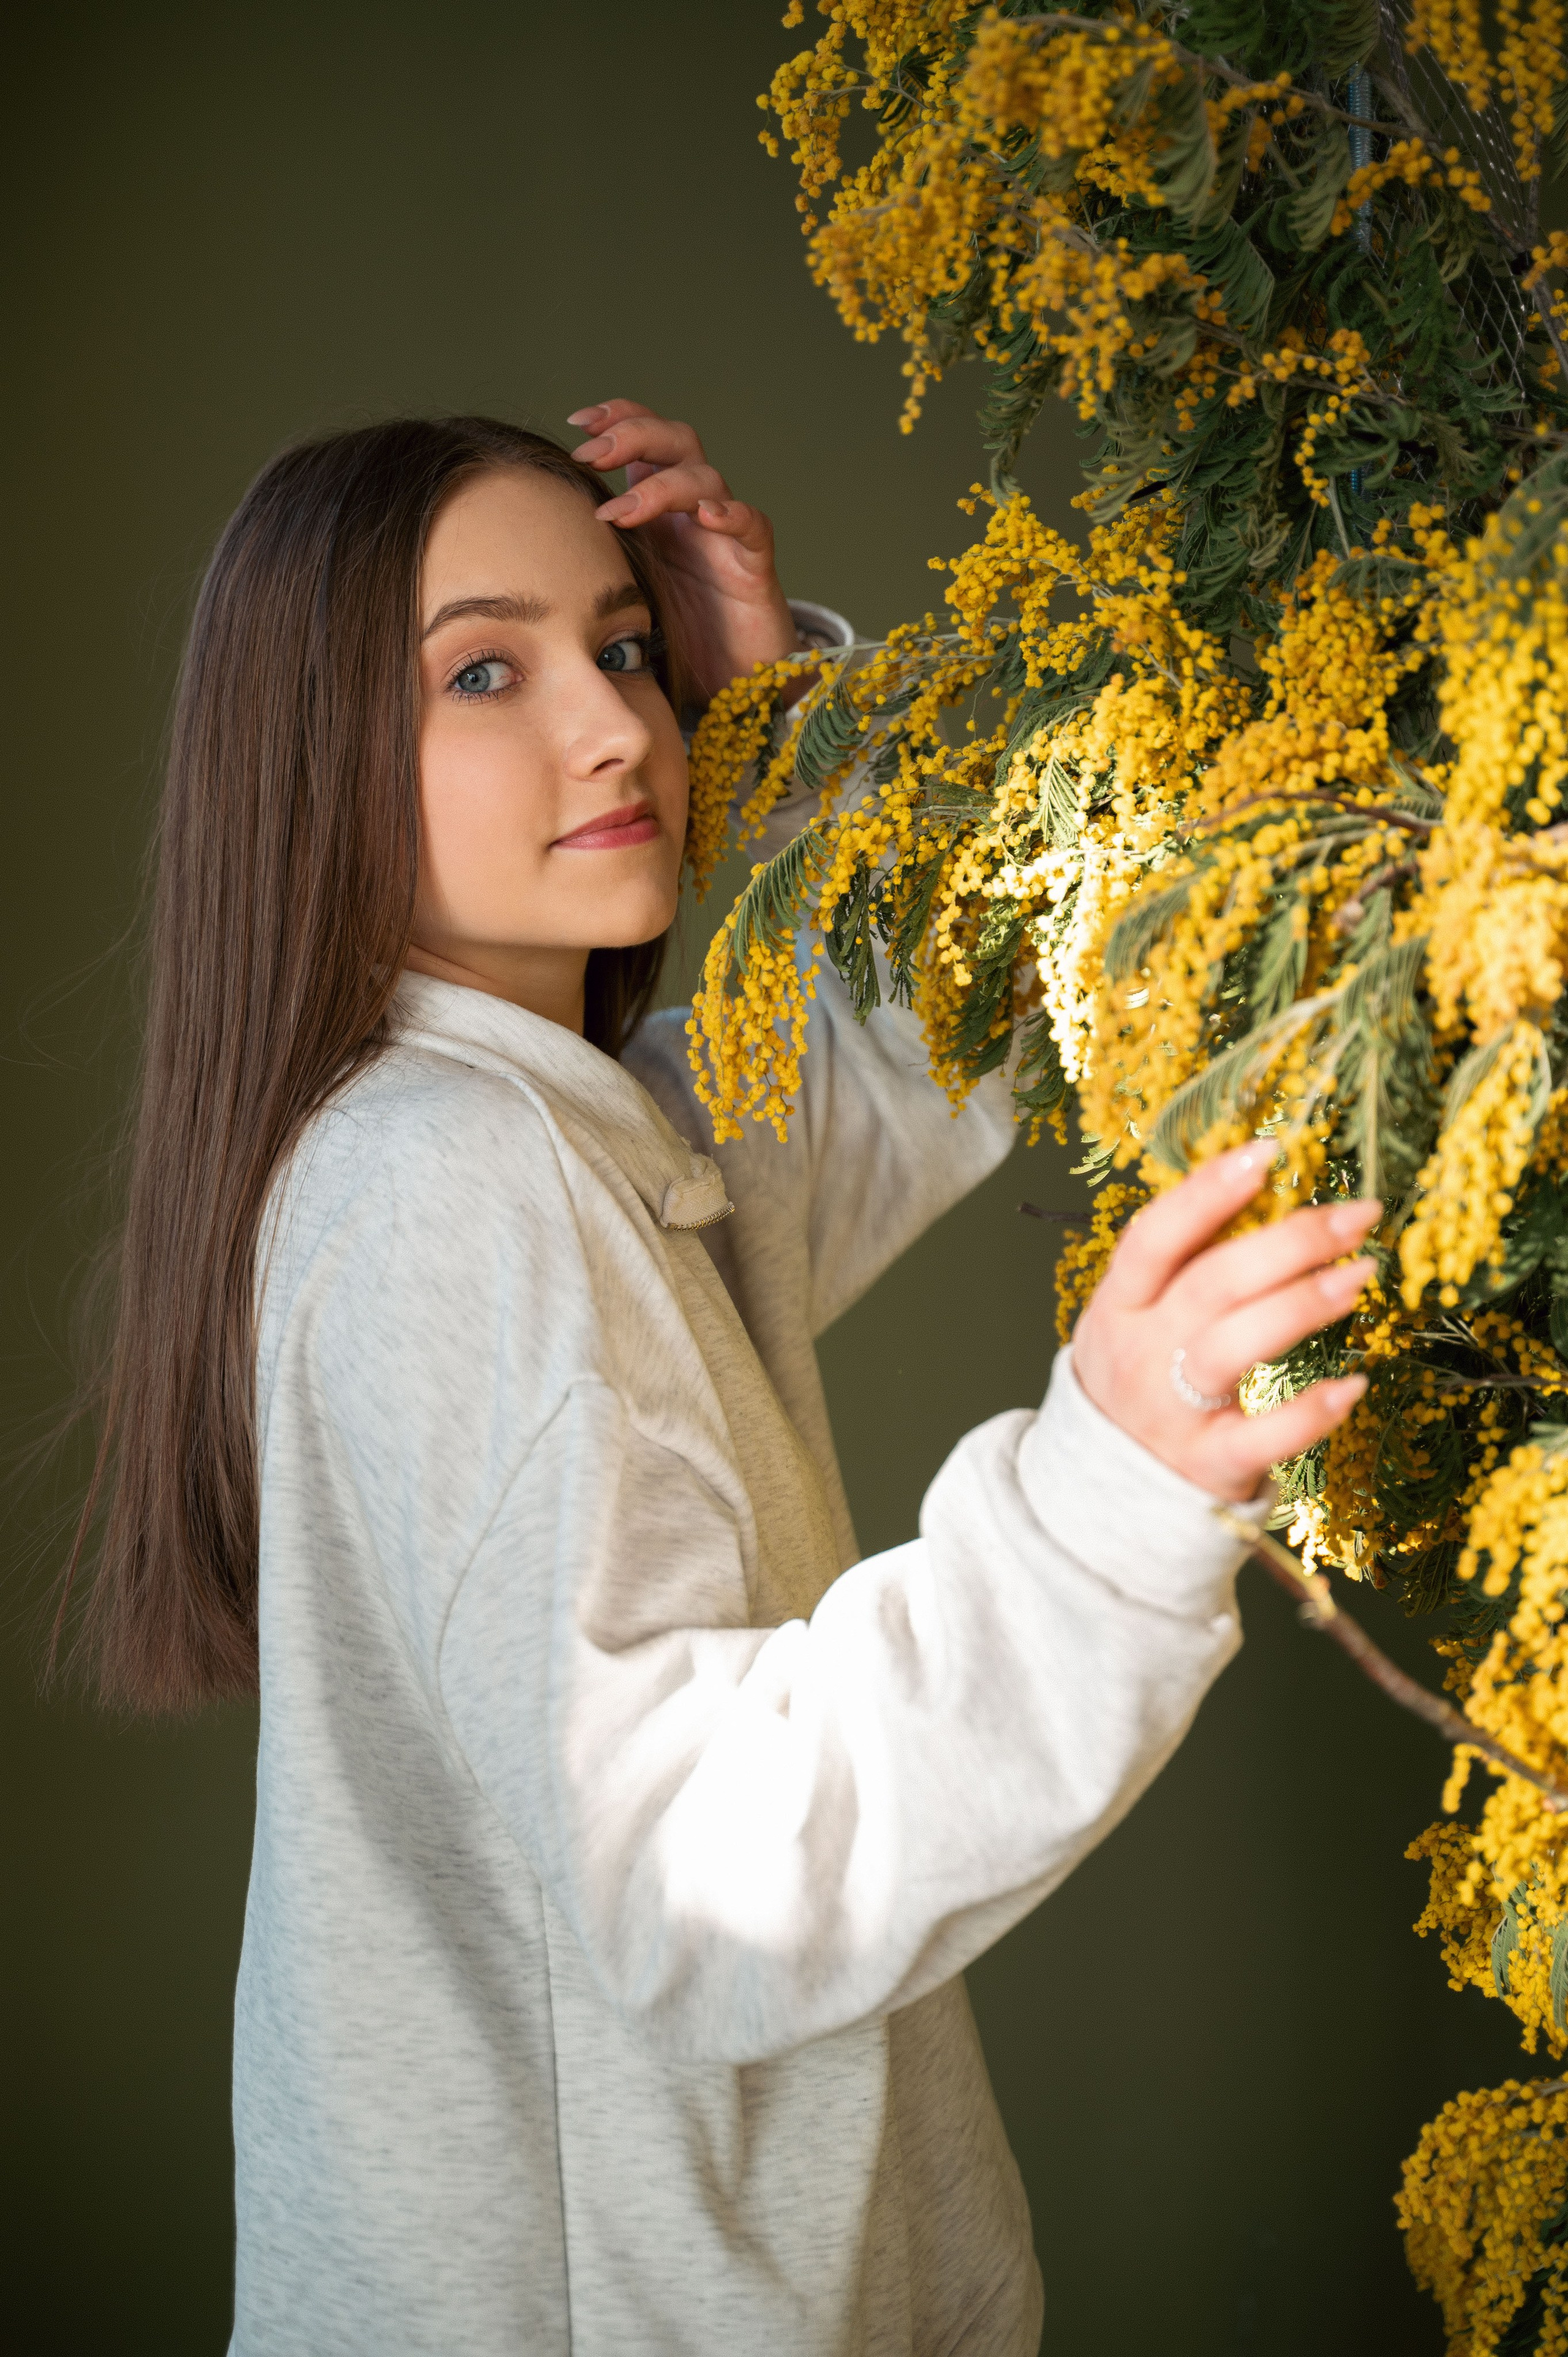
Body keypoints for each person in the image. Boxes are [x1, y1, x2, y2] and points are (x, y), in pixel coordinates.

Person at [67, 403, 1375, 2355]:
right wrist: (1103, 1486)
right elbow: (697, 1877)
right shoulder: (449, 1183)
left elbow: (870, 1069)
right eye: (484, 672)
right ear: (305, 753)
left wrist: (786, 723)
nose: (612, 728)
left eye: (619, 648)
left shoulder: (548, 1129)